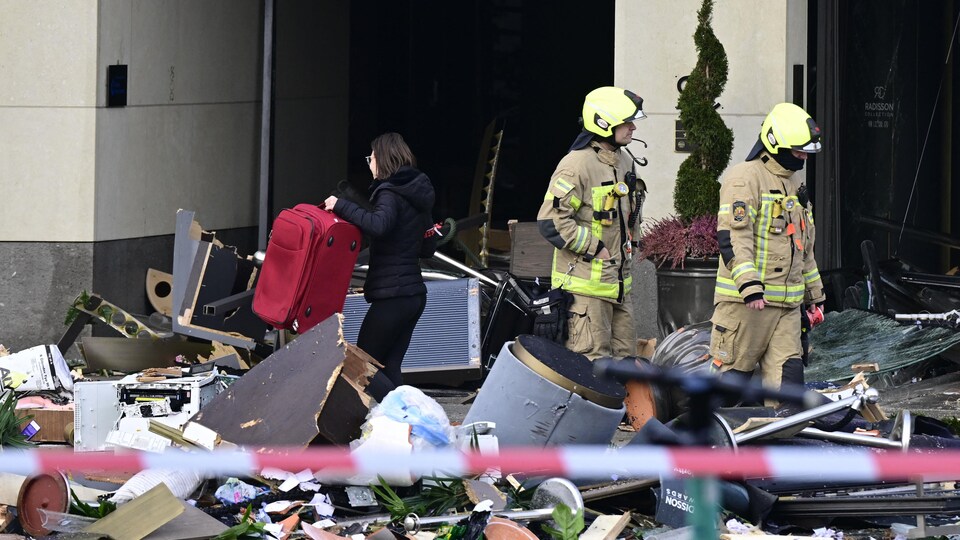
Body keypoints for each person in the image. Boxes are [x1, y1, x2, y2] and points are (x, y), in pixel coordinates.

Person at [709, 102, 826, 407]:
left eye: (806, 151)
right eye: (797, 150)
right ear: (774, 143)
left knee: (788, 397)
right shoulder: (745, 178)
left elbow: (804, 246)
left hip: (787, 308)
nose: (802, 156)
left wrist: (815, 295)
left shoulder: (794, 184)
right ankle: (709, 449)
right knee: (728, 393)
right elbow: (734, 235)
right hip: (746, 307)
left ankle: (777, 449)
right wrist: (749, 285)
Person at [536, 86, 647, 359]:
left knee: (626, 367)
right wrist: (596, 247)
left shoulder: (624, 162)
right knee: (591, 371)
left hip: (619, 288)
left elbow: (629, 216)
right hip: (585, 293)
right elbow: (551, 221)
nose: (632, 127)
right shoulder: (576, 165)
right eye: (626, 122)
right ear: (604, 123)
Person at [324, 133, 435, 401]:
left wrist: (340, 205)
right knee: (390, 367)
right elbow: (427, 248)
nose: (369, 164)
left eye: (370, 158)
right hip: (414, 295)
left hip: (393, 297)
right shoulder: (418, 193)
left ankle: (402, 414)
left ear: (382, 159)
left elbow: (378, 225)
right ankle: (402, 424)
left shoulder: (389, 192)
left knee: (363, 366)